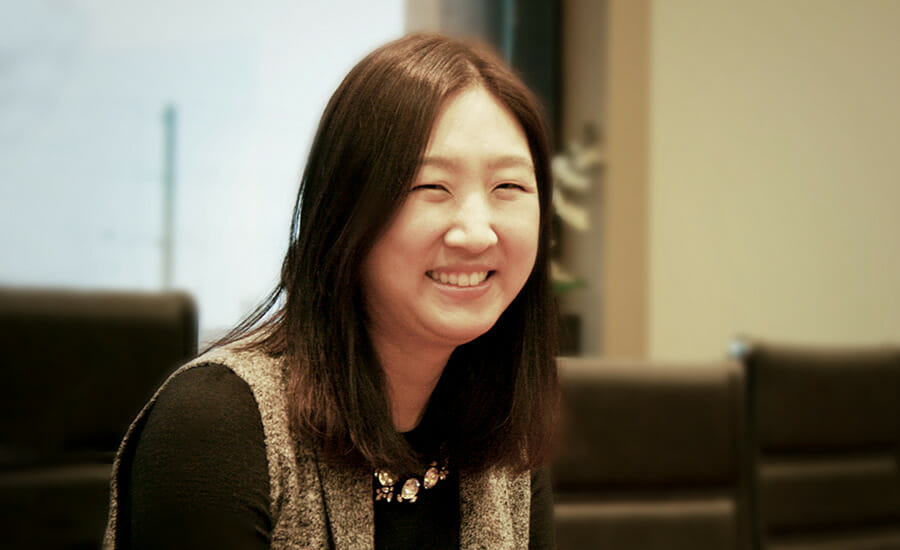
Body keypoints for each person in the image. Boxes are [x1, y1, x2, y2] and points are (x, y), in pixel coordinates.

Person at [103, 32, 560, 549]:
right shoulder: (216, 425)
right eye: (431, 187)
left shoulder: (503, 440)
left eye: (510, 188)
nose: (477, 232)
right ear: (345, 211)